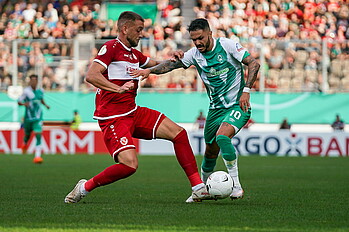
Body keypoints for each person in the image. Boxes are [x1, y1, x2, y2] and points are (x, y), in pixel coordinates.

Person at [64, 12, 210, 204]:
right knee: (129, 165)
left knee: (179, 133)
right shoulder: (111, 48)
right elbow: (91, 75)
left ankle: (198, 187)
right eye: (139, 30)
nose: (142, 34)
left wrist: (175, 58)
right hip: (113, 118)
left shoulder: (134, 54)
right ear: (125, 29)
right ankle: (84, 187)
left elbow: (157, 65)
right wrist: (117, 89)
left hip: (133, 112)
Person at [131, 18, 260, 203]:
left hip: (237, 106)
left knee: (222, 137)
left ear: (210, 33)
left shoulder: (227, 45)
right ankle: (202, 189)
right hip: (215, 110)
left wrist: (246, 91)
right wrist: (149, 71)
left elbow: (254, 64)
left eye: (200, 38)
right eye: (194, 40)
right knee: (209, 153)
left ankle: (237, 186)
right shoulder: (194, 54)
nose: (198, 43)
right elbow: (171, 65)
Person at [18, 74, 50, 163]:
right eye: (32, 80)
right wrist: (25, 104)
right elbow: (19, 101)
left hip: (38, 118)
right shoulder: (26, 92)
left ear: (37, 81)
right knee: (27, 135)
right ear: (30, 81)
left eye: (35, 80)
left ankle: (37, 157)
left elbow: (41, 99)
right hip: (28, 118)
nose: (33, 82)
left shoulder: (41, 91)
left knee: (38, 134)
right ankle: (24, 144)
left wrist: (46, 105)